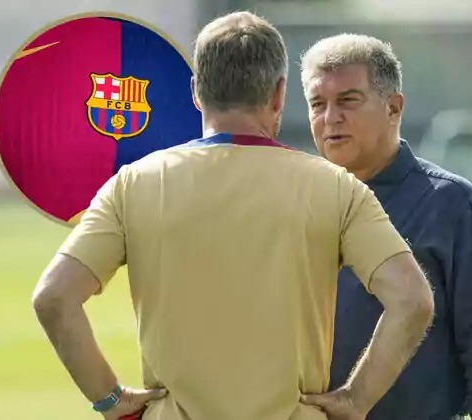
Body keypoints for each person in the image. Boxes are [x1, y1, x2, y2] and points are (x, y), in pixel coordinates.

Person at [31, 12, 434, 420]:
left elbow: (54, 297)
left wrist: (111, 401)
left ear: (195, 92)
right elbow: (411, 300)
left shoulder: (133, 184)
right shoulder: (337, 188)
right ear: (279, 94)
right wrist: (355, 400)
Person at [299, 33, 472, 420]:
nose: (330, 118)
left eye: (348, 101)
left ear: (393, 108)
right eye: (317, 104)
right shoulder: (296, 203)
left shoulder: (453, 206)